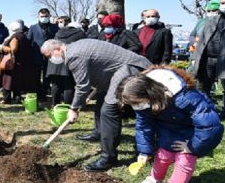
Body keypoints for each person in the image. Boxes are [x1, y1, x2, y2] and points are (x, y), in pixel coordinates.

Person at [117, 66, 223, 183]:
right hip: (168, 129)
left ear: (150, 93)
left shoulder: (185, 97)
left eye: (137, 103)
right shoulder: (144, 101)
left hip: (191, 133)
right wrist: (144, 151)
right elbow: (143, 125)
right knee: (163, 155)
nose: (136, 107)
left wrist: (192, 147)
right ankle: (154, 179)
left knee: (184, 162)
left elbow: (210, 126)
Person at [41, 39, 151, 171]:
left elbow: (82, 86)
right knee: (101, 104)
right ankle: (99, 133)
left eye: (49, 56)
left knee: (109, 110)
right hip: (121, 70)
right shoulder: (76, 46)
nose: (50, 59)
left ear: (57, 49)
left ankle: (108, 158)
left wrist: (74, 108)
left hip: (131, 68)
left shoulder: (73, 55)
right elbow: (101, 66)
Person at [45, 19, 87, 106]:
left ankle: (55, 105)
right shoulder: (80, 34)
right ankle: (68, 105)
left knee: (56, 84)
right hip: (68, 60)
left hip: (54, 61)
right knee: (69, 84)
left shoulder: (59, 33)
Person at [27, 8, 58, 101]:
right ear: (38, 16)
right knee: (36, 76)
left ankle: (43, 94)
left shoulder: (55, 27)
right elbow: (29, 40)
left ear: (49, 16)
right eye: (42, 16)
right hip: (36, 56)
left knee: (47, 77)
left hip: (50, 57)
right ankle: (38, 93)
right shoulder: (33, 27)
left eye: (46, 16)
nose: (44, 18)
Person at [1, 21, 34, 104]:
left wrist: (3, 47)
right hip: (21, 63)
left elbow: (13, 49)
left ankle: (7, 99)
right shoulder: (24, 36)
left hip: (12, 63)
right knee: (17, 82)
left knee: (7, 82)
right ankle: (17, 98)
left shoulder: (15, 37)